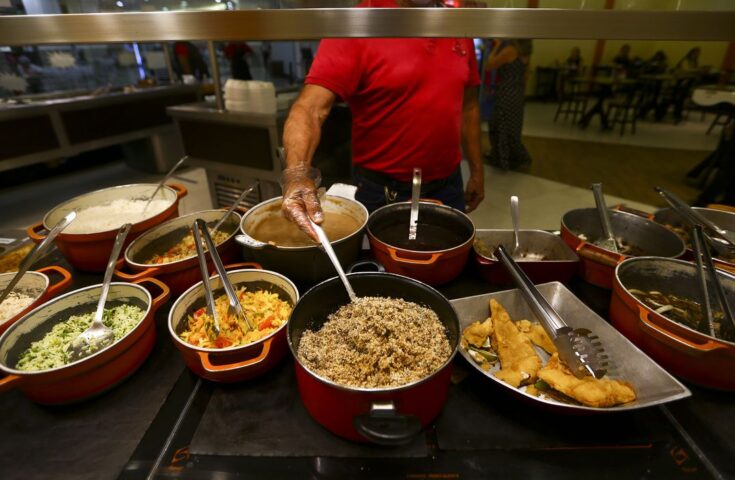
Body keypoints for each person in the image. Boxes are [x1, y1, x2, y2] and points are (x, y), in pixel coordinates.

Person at [280, 0, 485, 240]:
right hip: (383, 192)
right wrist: (296, 175)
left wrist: (477, 172)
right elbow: (309, 108)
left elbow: (468, 107)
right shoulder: (361, 23)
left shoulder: (456, 24)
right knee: (381, 271)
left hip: (449, 186)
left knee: (448, 265)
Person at [485, 39, 533, 171]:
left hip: (506, 92)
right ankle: (516, 159)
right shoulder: (526, 53)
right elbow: (526, 76)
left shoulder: (510, 50)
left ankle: (501, 158)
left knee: (498, 124)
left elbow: (489, 65)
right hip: (517, 94)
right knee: (512, 128)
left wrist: (497, 46)